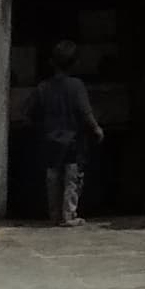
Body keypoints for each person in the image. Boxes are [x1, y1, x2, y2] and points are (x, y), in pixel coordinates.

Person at [22, 47, 107, 224]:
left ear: (52, 63)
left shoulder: (43, 87)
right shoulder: (76, 86)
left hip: (50, 141)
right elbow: (85, 111)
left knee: (52, 178)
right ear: (75, 64)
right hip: (73, 142)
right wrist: (96, 128)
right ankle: (69, 215)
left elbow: (28, 113)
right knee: (72, 179)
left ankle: (54, 215)